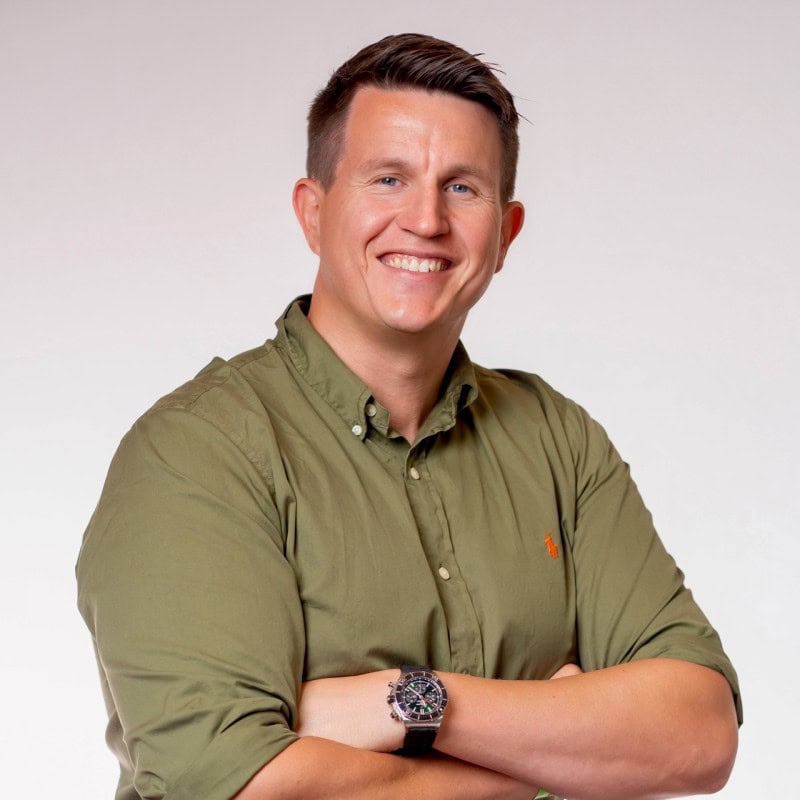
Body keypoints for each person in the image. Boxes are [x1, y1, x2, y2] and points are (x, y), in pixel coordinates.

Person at [77, 33, 741, 800]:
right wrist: (555, 760)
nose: (425, 219)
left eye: (462, 188)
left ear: (505, 235)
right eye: (388, 179)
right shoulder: (198, 452)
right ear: (314, 212)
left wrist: (411, 704)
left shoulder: (559, 440)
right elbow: (235, 785)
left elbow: (698, 734)